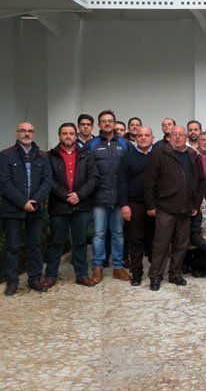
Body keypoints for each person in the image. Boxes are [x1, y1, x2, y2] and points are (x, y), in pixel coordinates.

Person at [143, 126, 204, 291]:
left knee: (181, 244)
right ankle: (155, 276)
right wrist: (150, 205)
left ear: (186, 137)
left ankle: (175, 274)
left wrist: (195, 205)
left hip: (185, 209)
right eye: (173, 135)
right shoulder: (160, 153)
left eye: (180, 135)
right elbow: (149, 181)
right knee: (161, 245)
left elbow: (200, 183)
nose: (177, 137)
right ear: (169, 137)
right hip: (165, 207)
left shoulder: (193, 156)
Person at [0, 122, 52, 296]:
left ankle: (34, 279)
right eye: (23, 130)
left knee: (35, 245)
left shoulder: (43, 156)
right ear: (17, 133)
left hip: (35, 209)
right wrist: (23, 202)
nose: (27, 133)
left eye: (30, 131)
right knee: (12, 247)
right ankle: (12, 281)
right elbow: (4, 183)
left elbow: (47, 181)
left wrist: (35, 200)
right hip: (13, 209)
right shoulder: (6, 155)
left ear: (34, 133)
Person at [46, 122, 98, 288]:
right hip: (59, 206)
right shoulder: (50, 156)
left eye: (71, 133)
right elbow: (48, 180)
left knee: (80, 241)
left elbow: (93, 179)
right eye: (64, 133)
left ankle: (81, 275)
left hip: (81, 205)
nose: (68, 136)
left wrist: (79, 195)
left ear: (76, 136)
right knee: (56, 242)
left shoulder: (87, 155)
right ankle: (51, 275)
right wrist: (66, 196)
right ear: (59, 136)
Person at [89, 110, 130, 284]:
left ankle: (118, 268)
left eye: (110, 121)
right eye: (103, 121)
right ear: (99, 125)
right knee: (98, 234)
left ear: (114, 124)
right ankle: (97, 267)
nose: (107, 124)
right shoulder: (92, 144)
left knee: (118, 234)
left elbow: (129, 170)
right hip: (98, 198)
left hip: (118, 198)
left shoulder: (123, 143)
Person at [117, 125, 155, 286]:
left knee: (155, 240)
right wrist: (124, 205)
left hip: (155, 205)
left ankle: (155, 272)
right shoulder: (127, 157)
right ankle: (137, 272)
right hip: (135, 204)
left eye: (147, 135)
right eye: (140, 135)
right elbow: (122, 183)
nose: (143, 138)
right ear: (135, 138)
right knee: (136, 240)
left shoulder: (159, 156)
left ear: (152, 138)